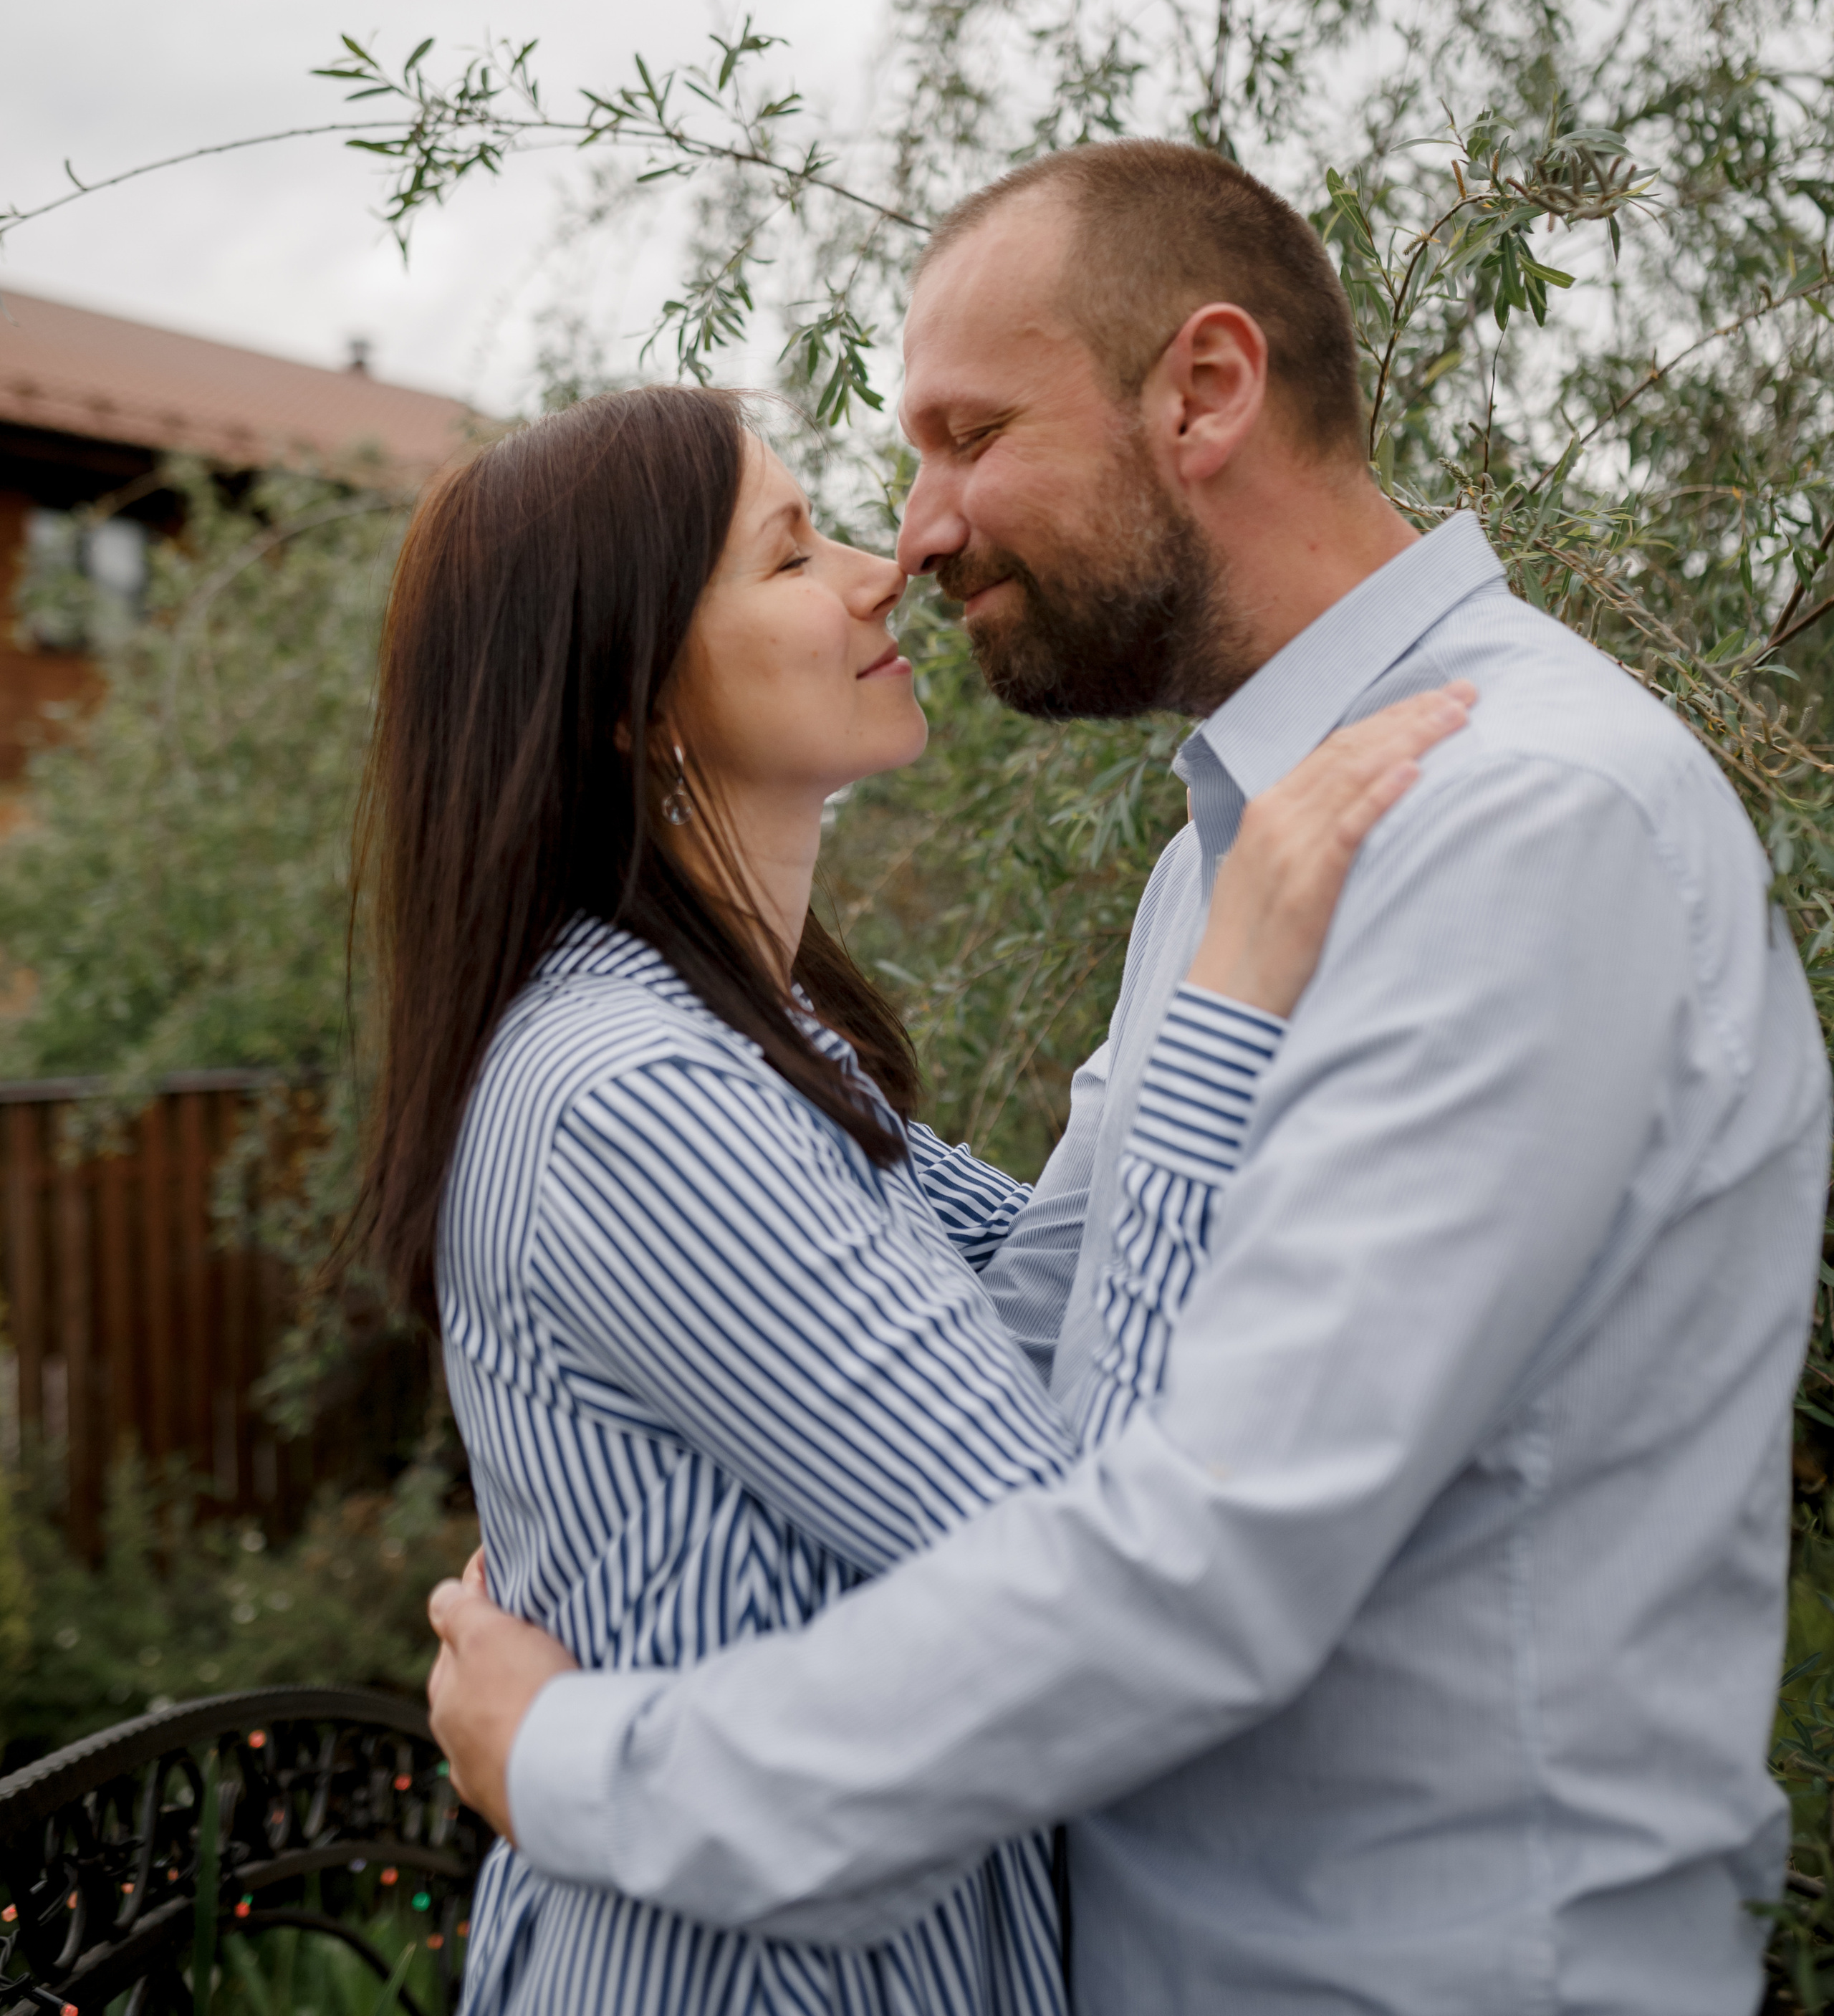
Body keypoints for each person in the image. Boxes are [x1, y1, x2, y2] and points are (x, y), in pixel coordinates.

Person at [426, 140, 1832, 2016]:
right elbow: (1043, 1363)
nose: (916, 535)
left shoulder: (1512, 822)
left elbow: (1189, 1563)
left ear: (1207, 392)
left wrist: (589, 1764)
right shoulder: (1228, 864)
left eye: (966, 434)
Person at [359, 375, 1468, 2015]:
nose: (882, 567)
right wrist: (1225, 998)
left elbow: (1049, 1292)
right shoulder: (636, 1102)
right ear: (629, 696)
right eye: (792, 551)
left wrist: (1189, 937)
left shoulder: (763, 1044)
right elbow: (1085, 1575)